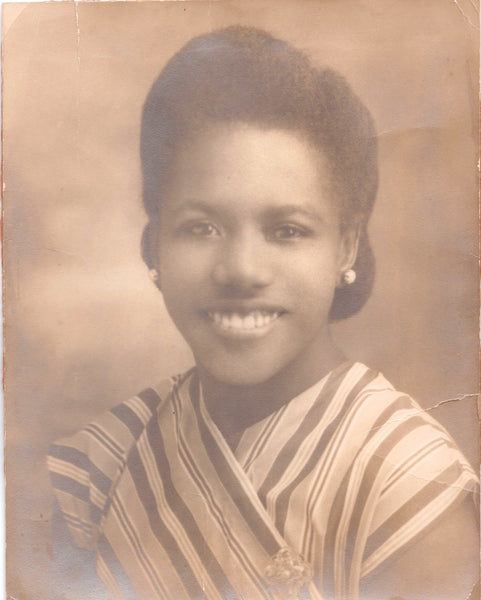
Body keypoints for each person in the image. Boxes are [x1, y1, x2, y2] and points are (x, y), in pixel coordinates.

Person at [47, 26, 479, 600]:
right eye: (201, 228)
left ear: (346, 246)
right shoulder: (101, 467)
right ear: (154, 247)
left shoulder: (407, 486)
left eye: (287, 231)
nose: (241, 270)